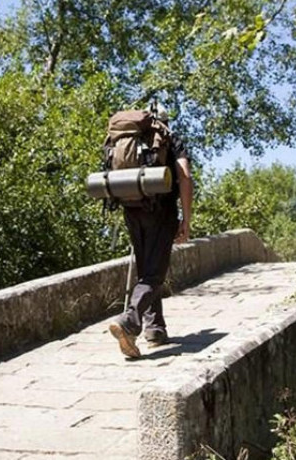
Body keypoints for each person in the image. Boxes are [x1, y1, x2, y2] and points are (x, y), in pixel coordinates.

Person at [108, 103, 193, 358]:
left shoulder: (125, 137)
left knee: (146, 269)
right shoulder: (170, 138)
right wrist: (186, 219)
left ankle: (155, 329)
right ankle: (130, 321)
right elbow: (185, 176)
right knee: (155, 273)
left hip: (131, 207)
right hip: (161, 211)